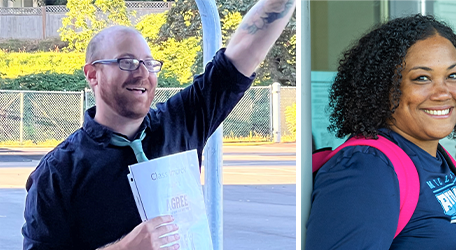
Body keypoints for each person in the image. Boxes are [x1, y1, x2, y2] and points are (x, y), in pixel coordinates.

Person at [22, 0, 295, 248]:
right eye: (127, 62)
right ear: (93, 74)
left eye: (149, 63)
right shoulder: (57, 174)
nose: (142, 73)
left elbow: (243, 52)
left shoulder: (181, 122)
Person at [307, 15, 456, 249]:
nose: (443, 93)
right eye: (422, 78)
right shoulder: (368, 169)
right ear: (382, 89)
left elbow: (443, 237)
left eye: (453, 75)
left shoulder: (436, 159)